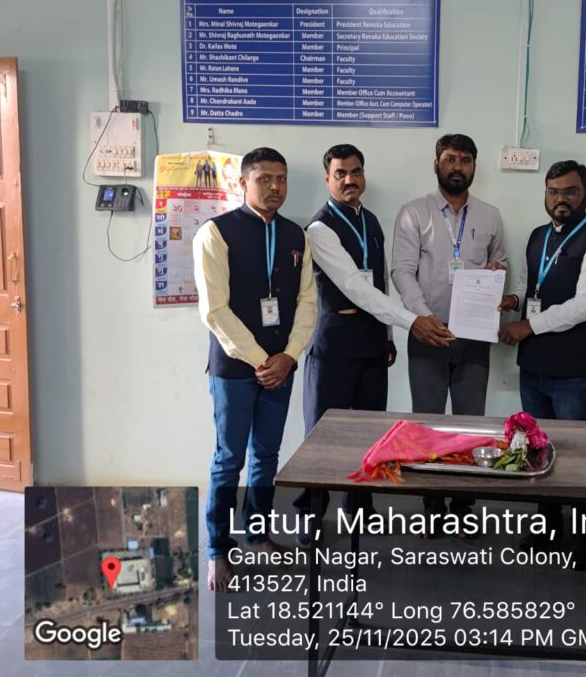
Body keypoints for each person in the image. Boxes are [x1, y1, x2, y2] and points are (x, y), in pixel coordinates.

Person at [293, 144, 454, 537]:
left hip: (370, 345)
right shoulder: (319, 229)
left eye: (356, 171)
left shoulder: (372, 221)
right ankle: (310, 513)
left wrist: (387, 336)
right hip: (333, 348)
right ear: (327, 179)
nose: (350, 179)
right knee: (322, 437)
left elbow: (379, 283)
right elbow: (354, 286)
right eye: (341, 173)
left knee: (370, 433)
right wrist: (411, 322)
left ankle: (360, 508)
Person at [193, 147, 317, 592]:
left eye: (281, 179)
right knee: (229, 458)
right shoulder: (216, 233)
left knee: (267, 455)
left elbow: (308, 302)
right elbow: (215, 309)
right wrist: (262, 360)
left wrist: (290, 355)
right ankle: (218, 551)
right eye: (264, 179)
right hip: (234, 369)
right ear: (243, 183)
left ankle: (258, 534)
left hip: (281, 367)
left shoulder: (296, 235)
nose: (275, 187)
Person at [499, 160, 586, 555]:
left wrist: (527, 326)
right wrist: (512, 300)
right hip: (533, 366)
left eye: (570, 191)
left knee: (576, 455)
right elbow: (528, 283)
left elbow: (585, 306)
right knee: (537, 448)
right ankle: (547, 529)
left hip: (574, 370)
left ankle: (583, 540)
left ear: (585, 194)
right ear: (546, 195)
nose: (561, 198)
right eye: (553, 191)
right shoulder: (537, 236)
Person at [391, 133, 508, 520]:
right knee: (428, 424)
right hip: (428, 333)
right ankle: (431, 506)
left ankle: (463, 506)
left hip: (474, 336)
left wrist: (497, 271)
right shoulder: (414, 212)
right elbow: (401, 271)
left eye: (465, 160)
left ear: (474, 166)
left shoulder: (490, 215)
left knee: (470, 425)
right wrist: (422, 318)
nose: (458, 166)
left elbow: (502, 262)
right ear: (436, 164)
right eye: (450, 159)